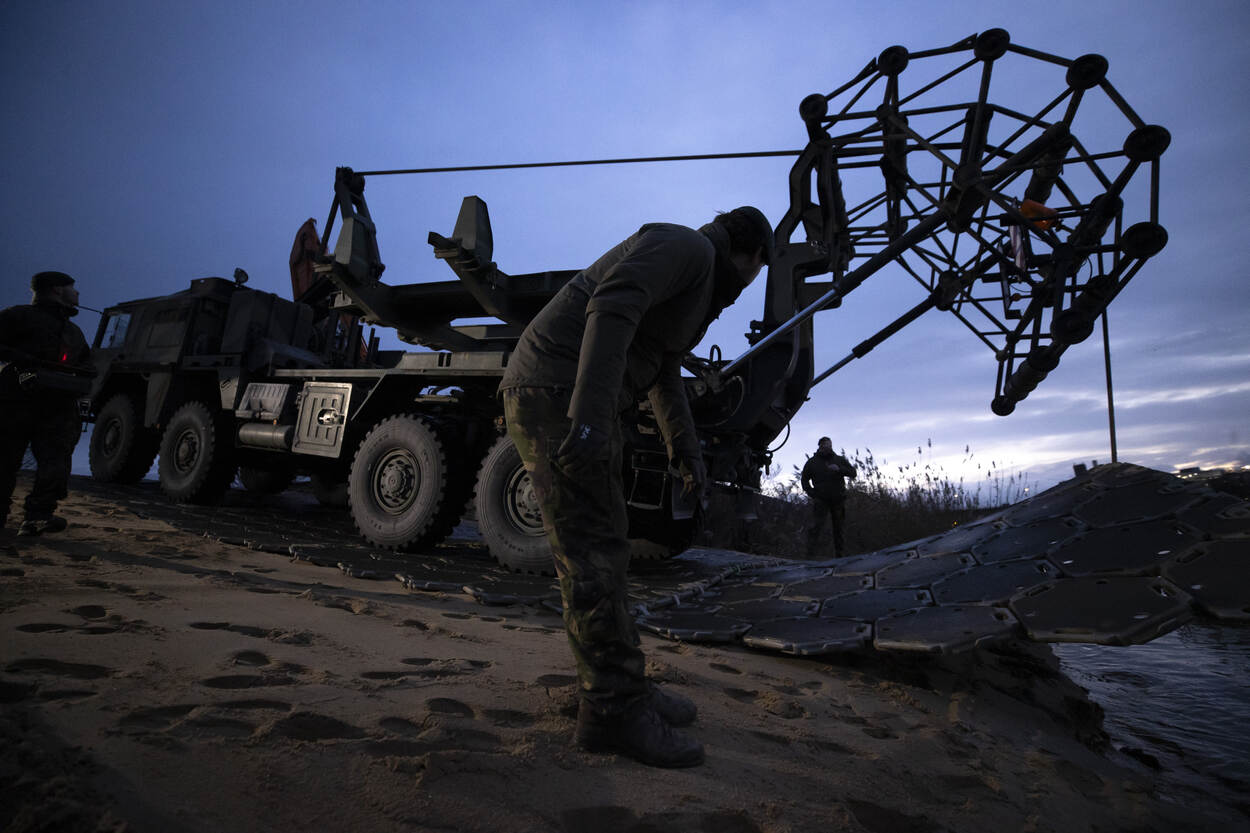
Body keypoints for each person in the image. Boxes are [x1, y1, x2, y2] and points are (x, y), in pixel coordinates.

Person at [499, 206, 773, 768]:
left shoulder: (697, 292)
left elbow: (663, 372)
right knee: (593, 553)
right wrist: (593, 416)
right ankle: (611, 712)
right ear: (748, 256)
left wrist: (685, 452)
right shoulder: (688, 250)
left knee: (607, 549)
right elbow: (613, 302)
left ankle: (622, 686)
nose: (751, 285)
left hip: (569, 396)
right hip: (554, 392)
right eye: (759, 270)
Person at [0, 271, 93, 536]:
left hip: (58, 406)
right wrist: (24, 361)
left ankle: (38, 517)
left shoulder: (73, 332)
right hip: (16, 400)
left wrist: (80, 376)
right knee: (4, 460)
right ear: (56, 290)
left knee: (55, 464)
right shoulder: (18, 316)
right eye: (72, 288)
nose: (77, 293)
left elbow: (86, 363)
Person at [800, 437, 857, 558]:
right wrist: (812, 493)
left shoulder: (839, 460)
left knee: (839, 530)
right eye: (825, 446)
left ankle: (840, 558)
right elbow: (804, 479)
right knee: (816, 528)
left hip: (838, 500)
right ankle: (810, 558)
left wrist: (840, 469)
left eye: (830, 446)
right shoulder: (812, 462)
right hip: (821, 501)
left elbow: (853, 473)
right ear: (820, 446)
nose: (828, 448)